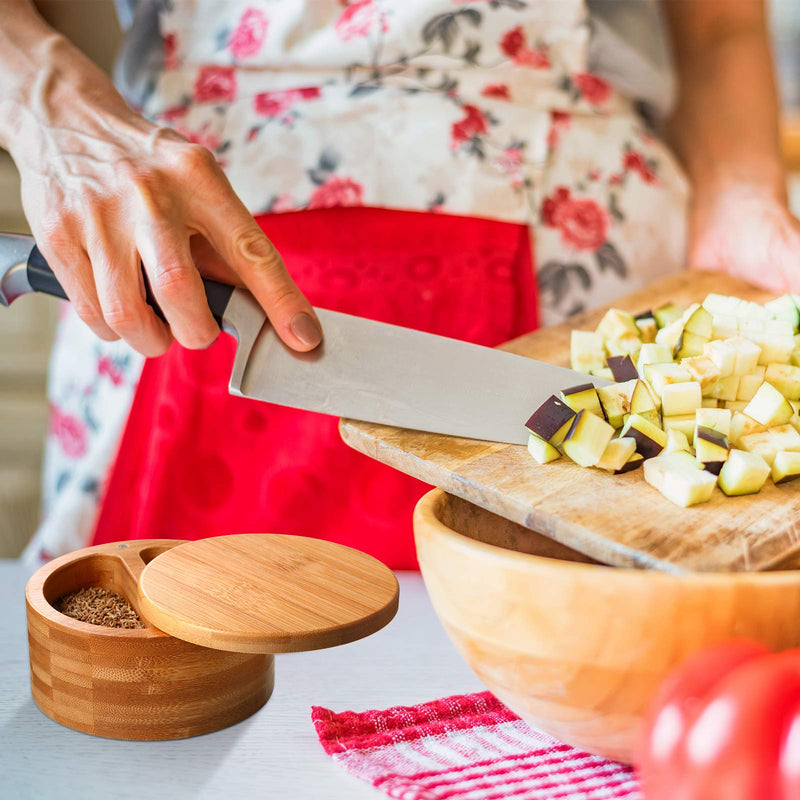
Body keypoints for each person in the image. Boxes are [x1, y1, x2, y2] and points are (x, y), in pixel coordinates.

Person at [2, 1, 797, 567]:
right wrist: (49, 101)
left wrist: (745, 194)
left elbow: (720, 23)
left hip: (585, 272)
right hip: (180, 261)